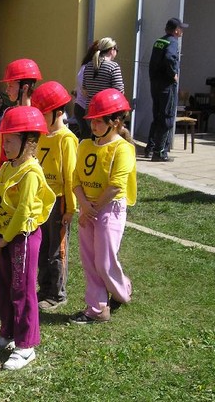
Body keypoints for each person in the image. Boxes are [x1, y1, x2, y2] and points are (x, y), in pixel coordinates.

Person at [0, 106, 55, 371]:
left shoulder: (31, 172)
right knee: (4, 287)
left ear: (29, 141)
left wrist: (7, 236)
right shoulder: (6, 167)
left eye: (10, 140)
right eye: (4, 139)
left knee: (22, 291)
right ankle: (7, 334)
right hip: (4, 238)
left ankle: (26, 346)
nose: (5, 144)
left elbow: (24, 211)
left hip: (22, 237)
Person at [69, 88, 136, 324]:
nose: (94, 126)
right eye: (93, 121)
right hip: (89, 207)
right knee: (88, 259)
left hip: (109, 209)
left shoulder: (123, 149)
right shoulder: (85, 145)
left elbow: (117, 185)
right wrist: (84, 205)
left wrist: (91, 208)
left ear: (115, 122)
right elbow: (75, 178)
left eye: (99, 121)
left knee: (104, 261)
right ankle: (97, 308)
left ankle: (123, 291)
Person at [31, 81, 78, 311]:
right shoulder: (42, 136)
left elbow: (70, 176)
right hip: (42, 200)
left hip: (59, 201)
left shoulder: (66, 139)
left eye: (43, 113)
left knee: (56, 249)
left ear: (58, 112)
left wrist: (70, 207)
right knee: (41, 247)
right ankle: (44, 288)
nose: (40, 117)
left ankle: (57, 293)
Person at [145, 17, 188, 162]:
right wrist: (173, 74)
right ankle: (160, 152)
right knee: (167, 118)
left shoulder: (160, 41)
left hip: (155, 85)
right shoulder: (173, 42)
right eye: (181, 29)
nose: (182, 31)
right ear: (176, 30)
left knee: (157, 116)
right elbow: (170, 58)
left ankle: (150, 148)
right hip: (166, 86)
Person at [82, 37, 124, 109]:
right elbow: (119, 92)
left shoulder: (88, 66)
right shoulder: (113, 67)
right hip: (106, 109)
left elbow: (85, 92)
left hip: (90, 109)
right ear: (112, 50)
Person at [74, 40, 99, 140]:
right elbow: (84, 90)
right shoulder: (86, 68)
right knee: (86, 137)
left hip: (84, 107)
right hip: (82, 107)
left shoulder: (87, 67)